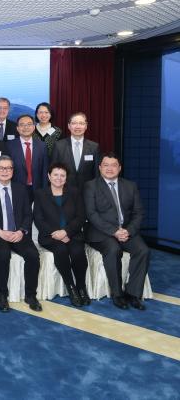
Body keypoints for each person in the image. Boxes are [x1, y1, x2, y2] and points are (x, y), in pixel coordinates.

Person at [84, 153, 150, 310]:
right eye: (106, 165)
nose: (109, 168)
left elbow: (138, 213)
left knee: (143, 251)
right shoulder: (90, 186)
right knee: (113, 250)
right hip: (101, 232)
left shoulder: (130, 185)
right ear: (100, 168)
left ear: (119, 168)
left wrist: (128, 230)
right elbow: (91, 214)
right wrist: (114, 231)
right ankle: (117, 294)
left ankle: (133, 294)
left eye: (113, 165)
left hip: (127, 230)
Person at [0, 156, 42, 313]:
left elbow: (28, 215)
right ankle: (2, 295)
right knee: (3, 254)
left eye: (8, 168)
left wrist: (21, 231)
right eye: (1, 168)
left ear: (13, 171)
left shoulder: (21, 189)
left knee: (32, 255)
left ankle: (31, 295)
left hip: (17, 233)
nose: (5, 171)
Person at [33, 163, 89, 307]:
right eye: (55, 175)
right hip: (50, 236)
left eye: (62, 175)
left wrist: (66, 232)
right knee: (61, 250)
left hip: (73, 234)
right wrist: (56, 233)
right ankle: (71, 287)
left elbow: (80, 216)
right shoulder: (40, 194)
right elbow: (38, 219)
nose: (59, 178)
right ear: (49, 176)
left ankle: (81, 287)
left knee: (78, 252)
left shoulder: (74, 192)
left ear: (66, 178)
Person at [51, 112, 100, 191]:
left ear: (86, 126)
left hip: (87, 191)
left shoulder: (94, 147)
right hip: (64, 190)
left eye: (81, 123)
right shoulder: (58, 146)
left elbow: (97, 173)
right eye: (74, 123)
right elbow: (53, 170)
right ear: (69, 126)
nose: (78, 126)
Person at [6, 114, 49, 202]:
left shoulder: (42, 146)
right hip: (16, 189)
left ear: (33, 127)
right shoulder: (9, 146)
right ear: (17, 128)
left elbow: (45, 170)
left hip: (37, 189)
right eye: (22, 125)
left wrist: (45, 190)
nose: (26, 127)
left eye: (29, 124)